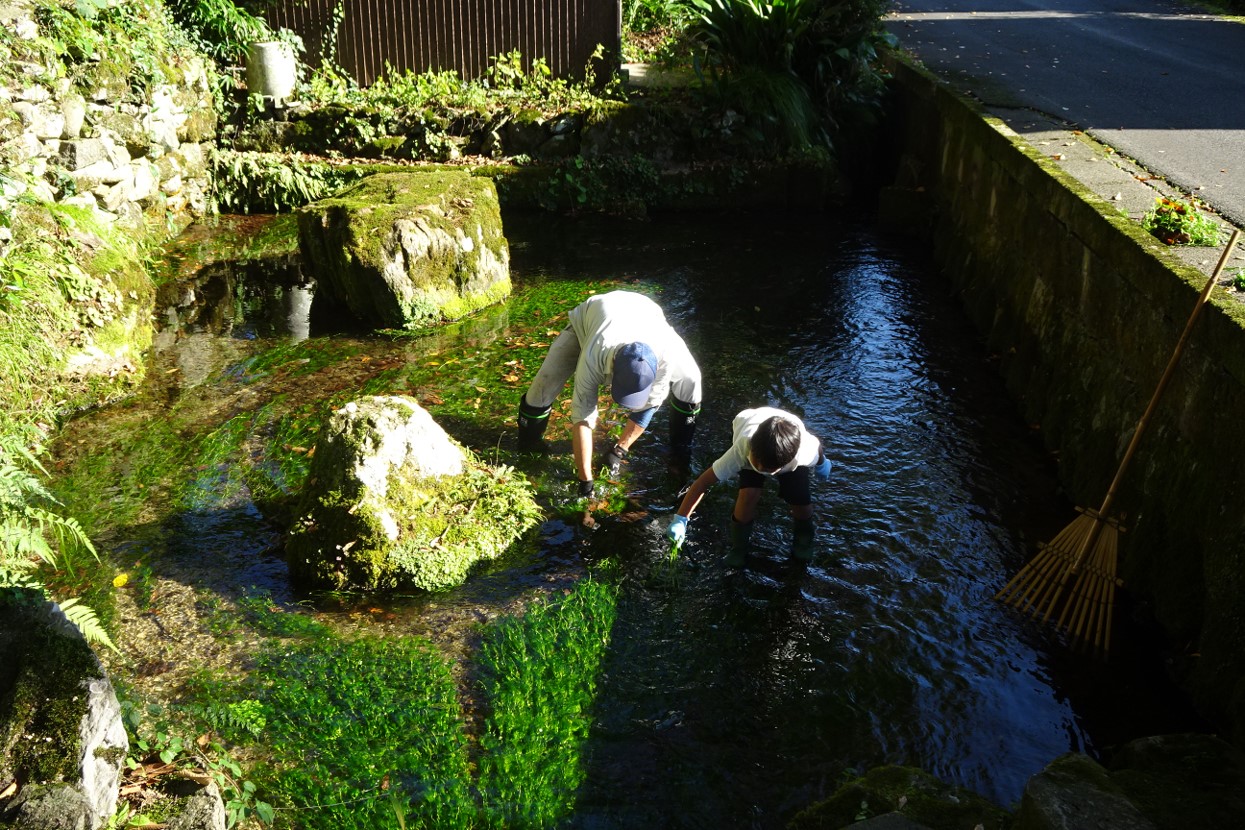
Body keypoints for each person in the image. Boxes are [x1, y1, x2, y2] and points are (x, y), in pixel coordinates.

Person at [516, 290, 702, 496]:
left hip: (649, 316)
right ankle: (527, 447)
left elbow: (649, 405)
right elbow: (583, 416)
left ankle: (680, 451)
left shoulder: (665, 357)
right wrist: (585, 480)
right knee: (541, 388)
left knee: (692, 381)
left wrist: (620, 450)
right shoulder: (595, 353)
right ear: (613, 365)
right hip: (595, 315)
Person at [666, 407, 831, 565]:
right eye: (757, 465)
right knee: (748, 495)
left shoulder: (803, 453)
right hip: (748, 424)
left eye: (768, 470)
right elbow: (703, 483)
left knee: (800, 498)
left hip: (788, 442)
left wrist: (823, 464)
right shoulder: (742, 449)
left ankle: (803, 540)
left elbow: (816, 446)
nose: (761, 470)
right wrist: (681, 519)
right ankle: (738, 548)